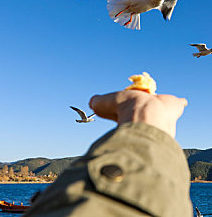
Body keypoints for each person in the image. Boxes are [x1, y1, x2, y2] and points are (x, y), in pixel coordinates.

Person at [25, 90, 192, 216]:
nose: (91, 119)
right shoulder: (85, 117)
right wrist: (147, 121)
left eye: (90, 119)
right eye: (90, 119)